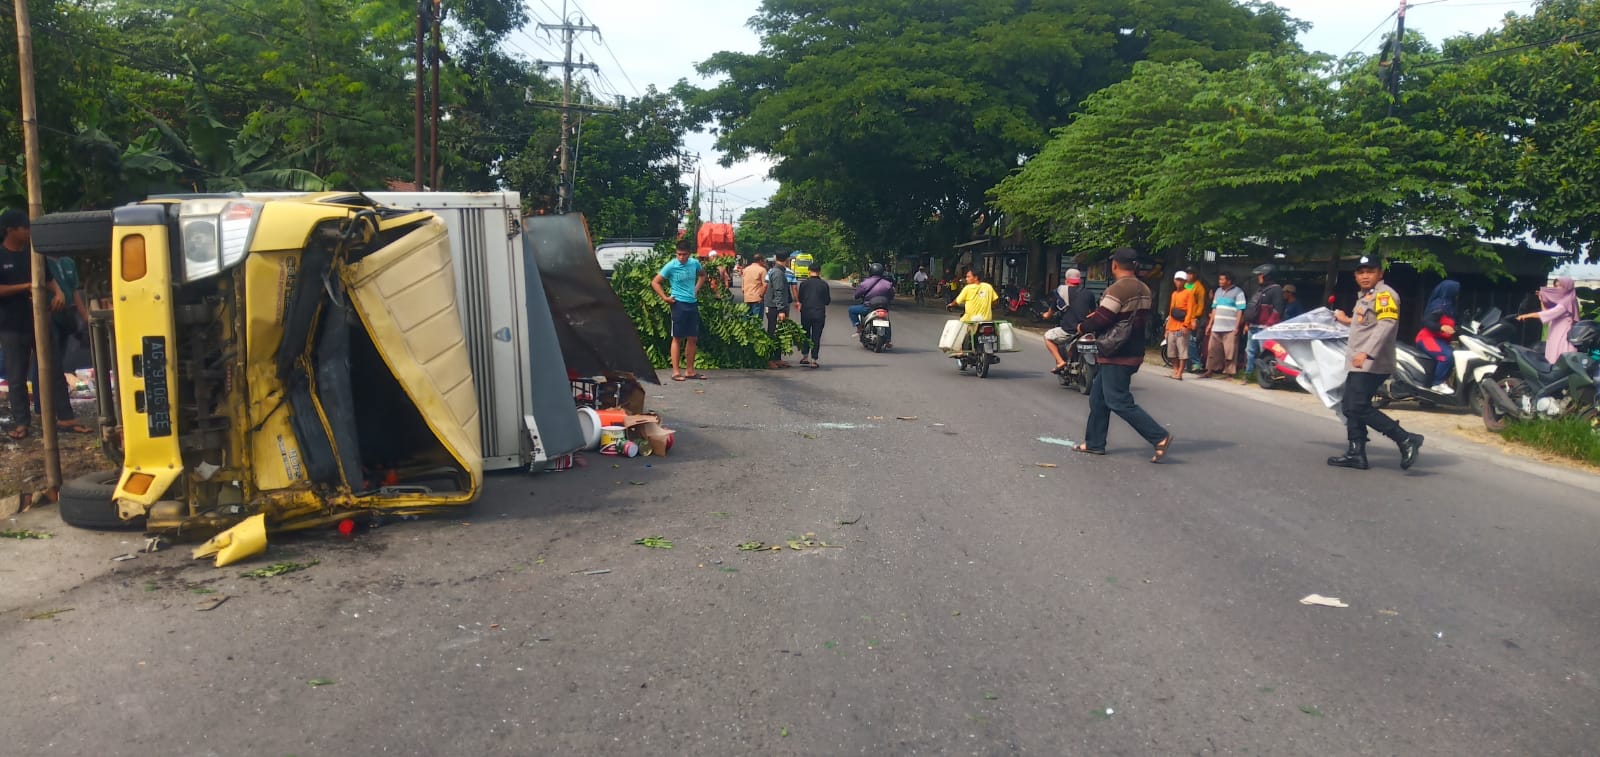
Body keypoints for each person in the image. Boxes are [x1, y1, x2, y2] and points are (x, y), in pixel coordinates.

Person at [1074, 248, 1172, 462]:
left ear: (1115, 265)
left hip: (1117, 352)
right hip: (1134, 349)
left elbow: (1103, 318)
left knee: (1118, 401)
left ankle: (1159, 436)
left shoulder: (1118, 289)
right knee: (1098, 398)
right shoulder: (1144, 288)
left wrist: (1083, 326)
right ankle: (1094, 443)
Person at [1328, 254, 1424, 471]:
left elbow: (1386, 325)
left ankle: (1406, 439)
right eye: (1361, 272)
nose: (1365, 276)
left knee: (1357, 406)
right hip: (1360, 362)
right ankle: (1356, 453)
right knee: (1350, 407)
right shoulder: (1365, 297)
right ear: (1355, 275)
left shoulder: (1384, 295)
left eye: (1370, 272)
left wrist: (1366, 353)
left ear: (1380, 273)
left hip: (1373, 361)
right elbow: (1367, 323)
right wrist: (1346, 320)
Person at [0, 208, 79, 437]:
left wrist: (59, 294)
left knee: (54, 370)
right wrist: (26, 287)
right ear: (10, 230)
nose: (28, 232)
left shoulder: (34, 254)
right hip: (11, 326)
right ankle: (22, 424)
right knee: (16, 378)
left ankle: (66, 417)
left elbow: (49, 279)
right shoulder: (1, 256)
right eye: (25, 228)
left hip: (41, 321)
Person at [651, 238, 708, 381]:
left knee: (693, 338)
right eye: (679, 254)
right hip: (678, 304)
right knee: (677, 337)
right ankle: (676, 371)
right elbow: (655, 282)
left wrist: (696, 289)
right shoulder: (671, 265)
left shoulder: (694, 263)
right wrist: (665, 297)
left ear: (689, 254)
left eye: (684, 254)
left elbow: (702, 275)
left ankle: (690, 370)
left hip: (692, 303)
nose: (681, 257)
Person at [1517, 276, 1579, 365]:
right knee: (1552, 355)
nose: (1557, 288)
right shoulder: (1563, 300)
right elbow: (1546, 312)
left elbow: (1549, 313)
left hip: (1563, 335)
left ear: (1567, 287)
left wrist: (1527, 315)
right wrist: (1542, 299)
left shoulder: (1568, 301)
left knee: (1560, 357)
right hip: (1555, 333)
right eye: (1556, 286)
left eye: (1560, 286)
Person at [1044, 268, 1096, 373]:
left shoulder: (1059, 293)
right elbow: (1093, 312)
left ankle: (1060, 362)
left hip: (1069, 330)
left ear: (1066, 280)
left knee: (1047, 337)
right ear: (1079, 281)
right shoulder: (1089, 293)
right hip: (1085, 329)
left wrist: (1045, 315)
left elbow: (1050, 313)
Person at [1415, 280, 1460, 393]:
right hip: (1428, 338)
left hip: (1441, 340)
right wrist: (1441, 327)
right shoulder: (1440, 304)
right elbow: (1426, 321)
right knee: (1447, 356)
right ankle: (1438, 383)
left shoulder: (1450, 306)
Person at [1242, 263, 1285, 382]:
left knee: (1264, 354)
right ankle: (1248, 374)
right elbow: (1252, 308)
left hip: (1265, 329)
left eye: (1260, 275)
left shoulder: (1276, 289)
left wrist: (1269, 325)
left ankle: (1266, 376)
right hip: (1253, 327)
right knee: (1249, 352)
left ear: (1267, 275)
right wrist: (1247, 323)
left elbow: (1278, 310)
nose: (1258, 277)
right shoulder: (1260, 290)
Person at [1164, 270, 1198, 380]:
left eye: (1181, 280)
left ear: (1185, 282)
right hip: (1172, 325)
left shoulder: (1189, 293)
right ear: (1174, 281)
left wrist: (1185, 325)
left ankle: (1180, 372)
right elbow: (1171, 311)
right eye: (1177, 280)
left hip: (1182, 325)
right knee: (1171, 351)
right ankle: (1175, 369)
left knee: (1182, 351)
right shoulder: (1174, 294)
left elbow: (1190, 310)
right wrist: (1167, 328)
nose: (1179, 282)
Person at [764, 250, 795, 368]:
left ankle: (777, 358)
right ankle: (769, 359)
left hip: (776, 306)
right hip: (774, 307)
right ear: (787, 260)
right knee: (772, 332)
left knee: (779, 333)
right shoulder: (778, 273)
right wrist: (781, 310)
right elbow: (778, 292)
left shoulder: (777, 271)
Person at [797, 264, 830, 367]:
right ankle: (814, 360)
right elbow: (827, 301)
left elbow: (800, 299)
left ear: (809, 270)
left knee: (805, 334)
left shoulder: (803, 284)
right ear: (819, 271)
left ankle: (805, 356)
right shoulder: (824, 284)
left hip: (806, 312)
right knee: (816, 336)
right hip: (819, 313)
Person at [849, 263, 894, 330]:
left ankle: (859, 327)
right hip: (884, 307)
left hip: (868, 308)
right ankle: (888, 338)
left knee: (851, 309)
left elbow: (857, 295)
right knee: (887, 320)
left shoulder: (865, 283)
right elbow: (891, 296)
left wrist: (856, 296)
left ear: (871, 272)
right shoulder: (888, 284)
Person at [1184, 269, 1208, 373]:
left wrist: (1195, 317)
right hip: (1182, 316)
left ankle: (1196, 362)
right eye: (1187, 274)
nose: (1188, 276)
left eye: (1190, 274)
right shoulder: (1183, 285)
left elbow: (1201, 305)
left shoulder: (1199, 288)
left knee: (1190, 340)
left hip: (1192, 317)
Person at [741, 253, 767, 318]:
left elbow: (743, 283)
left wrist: (745, 293)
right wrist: (761, 295)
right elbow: (765, 285)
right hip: (757, 298)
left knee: (746, 319)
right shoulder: (762, 270)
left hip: (747, 297)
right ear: (760, 260)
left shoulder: (746, 269)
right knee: (757, 320)